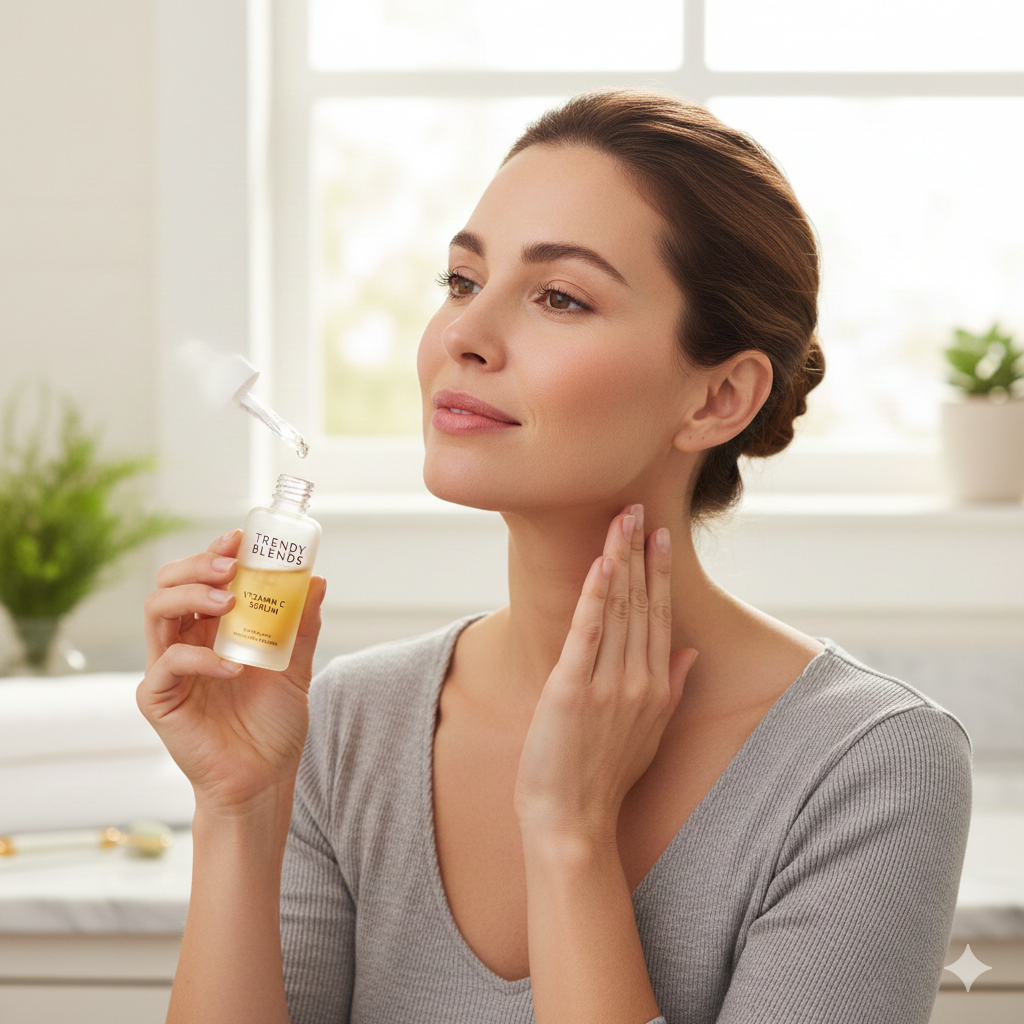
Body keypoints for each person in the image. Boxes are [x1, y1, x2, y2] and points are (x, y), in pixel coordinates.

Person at [140, 90, 971, 1024]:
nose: (463, 336)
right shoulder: (348, 724)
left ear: (720, 397)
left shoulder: (868, 765)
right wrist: (239, 807)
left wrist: (572, 836)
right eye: (460, 282)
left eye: (560, 297)